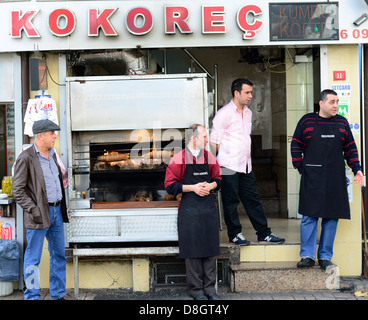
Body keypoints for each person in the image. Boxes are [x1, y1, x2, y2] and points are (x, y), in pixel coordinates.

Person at [291, 89, 364, 270]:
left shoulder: (342, 123)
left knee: (331, 217)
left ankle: (324, 256)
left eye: (337, 102)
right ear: (321, 103)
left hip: (335, 176)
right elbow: (295, 145)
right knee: (309, 215)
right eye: (332, 102)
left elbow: (350, 149)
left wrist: (357, 170)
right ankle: (307, 256)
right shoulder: (306, 121)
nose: (336, 106)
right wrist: (300, 167)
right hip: (312, 176)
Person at [210, 78, 285, 245]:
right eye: (247, 92)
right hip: (227, 165)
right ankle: (235, 234)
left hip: (245, 166)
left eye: (251, 92)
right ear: (236, 93)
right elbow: (214, 143)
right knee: (230, 202)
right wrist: (223, 160)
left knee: (253, 199)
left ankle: (263, 234)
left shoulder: (249, 113)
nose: (251, 96)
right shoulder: (224, 114)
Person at [12, 119, 75, 300]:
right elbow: (18, 190)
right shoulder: (26, 158)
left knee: (59, 255)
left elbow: (58, 183)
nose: (55, 136)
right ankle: (31, 296)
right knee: (33, 259)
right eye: (52, 133)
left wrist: (62, 207)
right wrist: (33, 209)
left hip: (56, 212)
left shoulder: (53, 155)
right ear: (41, 136)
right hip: (38, 215)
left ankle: (58, 293)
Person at [165, 124, 222, 300]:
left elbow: (218, 179)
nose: (207, 140)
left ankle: (210, 290)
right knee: (193, 251)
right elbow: (169, 186)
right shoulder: (179, 159)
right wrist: (193, 188)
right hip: (189, 210)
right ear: (194, 138)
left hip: (207, 210)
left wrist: (210, 185)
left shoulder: (209, 157)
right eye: (205, 137)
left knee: (210, 249)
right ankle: (197, 291)